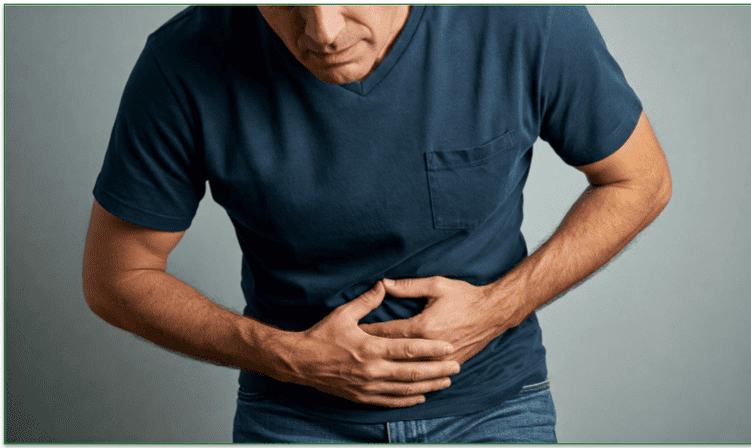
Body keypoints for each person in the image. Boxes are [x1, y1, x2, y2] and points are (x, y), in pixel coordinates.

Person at [82, 5, 671, 443]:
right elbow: (117, 276)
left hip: (493, 412)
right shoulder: (183, 60)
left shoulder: (524, 19)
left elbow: (639, 179)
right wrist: (293, 358)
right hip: (295, 419)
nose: (323, 31)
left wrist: (497, 309)